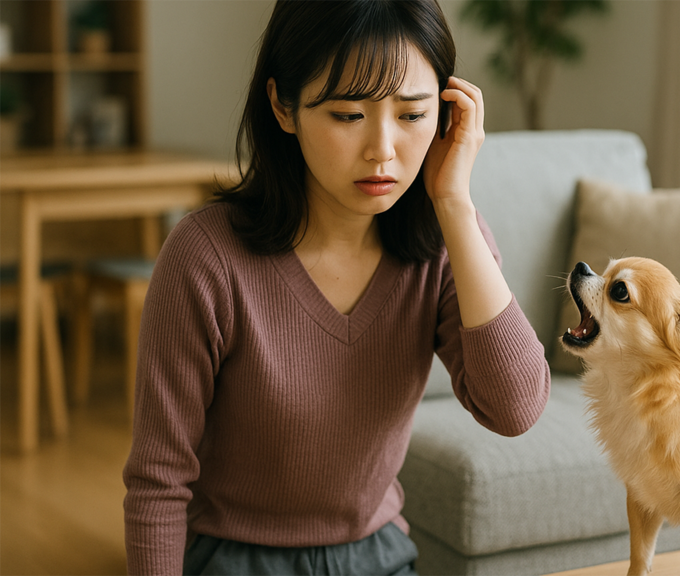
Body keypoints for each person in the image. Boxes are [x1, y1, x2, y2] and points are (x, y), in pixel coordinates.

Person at [121, 0, 551, 574]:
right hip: (233, 559)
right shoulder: (206, 258)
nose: (383, 149)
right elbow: (158, 481)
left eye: (413, 114)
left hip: (379, 554)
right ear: (283, 105)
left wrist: (453, 203)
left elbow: (516, 408)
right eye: (348, 115)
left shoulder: (446, 243)